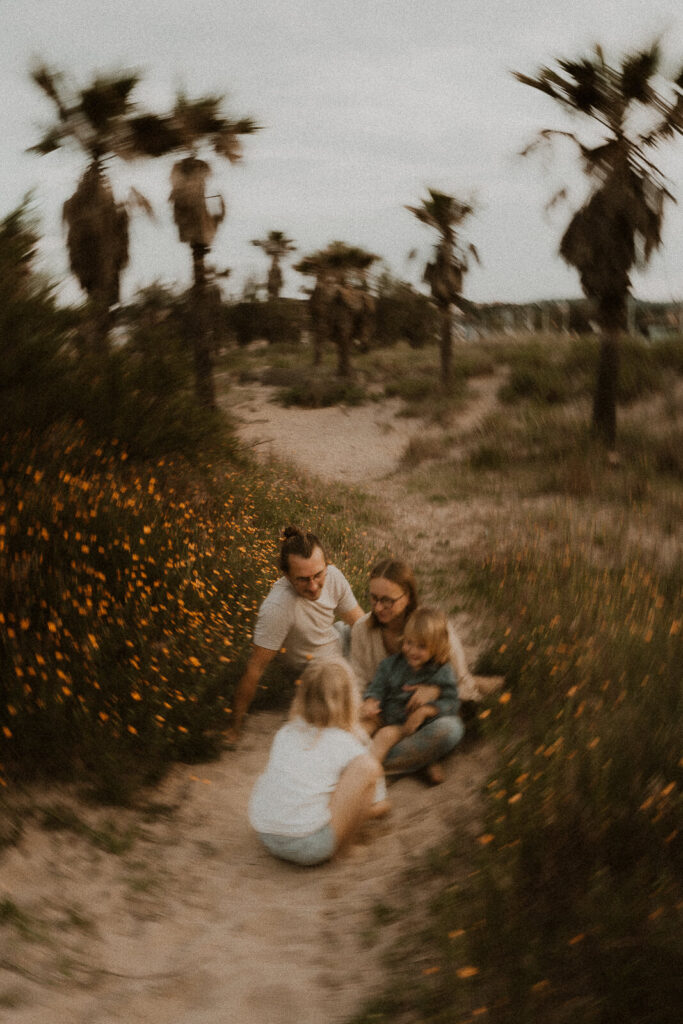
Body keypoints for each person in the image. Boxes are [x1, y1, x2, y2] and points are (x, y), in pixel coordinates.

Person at [227, 526, 364, 742]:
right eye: (303, 579)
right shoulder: (277, 608)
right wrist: (235, 727)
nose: (313, 586)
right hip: (319, 672)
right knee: (351, 712)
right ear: (287, 576)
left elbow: (360, 624)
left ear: (326, 564)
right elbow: (255, 668)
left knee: (378, 630)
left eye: (318, 575)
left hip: (337, 641)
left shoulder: (334, 576)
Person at [248, 659, 388, 866]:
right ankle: (346, 850)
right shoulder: (346, 742)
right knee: (368, 768)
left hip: (265, 833)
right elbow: (379, 804)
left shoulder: (286, 732)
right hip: (309, 846)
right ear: (350, 700)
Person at [350, 557, 480, 702]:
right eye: (374, 598)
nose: (378, 607)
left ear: (408, 597)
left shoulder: (433, 627)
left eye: (388, 601)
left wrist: (436, 691)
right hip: (384, 708)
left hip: (429, 709)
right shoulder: (362, 629)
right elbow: (357, 683)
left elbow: (462, 682)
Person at [360, 606, 464, 784]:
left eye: (421, 646)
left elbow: (452, 702)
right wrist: (371, 701)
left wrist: (426, 711)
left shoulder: (442, 671)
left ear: (436, 647)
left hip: (415, 726)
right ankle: (423, 762)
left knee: (385, 737)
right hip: (388, 717)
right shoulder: (390, 665)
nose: (412, 651)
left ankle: (366, 778)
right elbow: (377, 687)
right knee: (360, 729)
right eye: (409, 642)